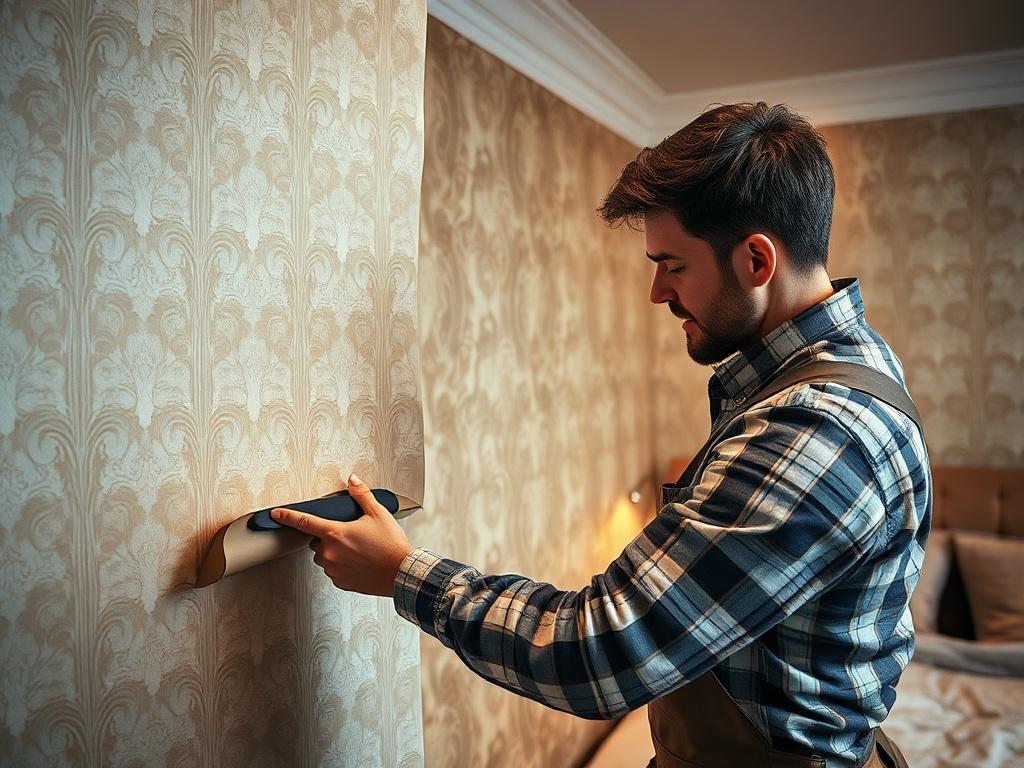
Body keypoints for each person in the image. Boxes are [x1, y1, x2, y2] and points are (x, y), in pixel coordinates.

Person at [271, 102, 930, 768]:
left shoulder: (815, 430)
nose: (655, 292)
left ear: (757, 260)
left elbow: (603, 651)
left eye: (672, 265)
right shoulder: (842, 368)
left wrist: (402, 573)